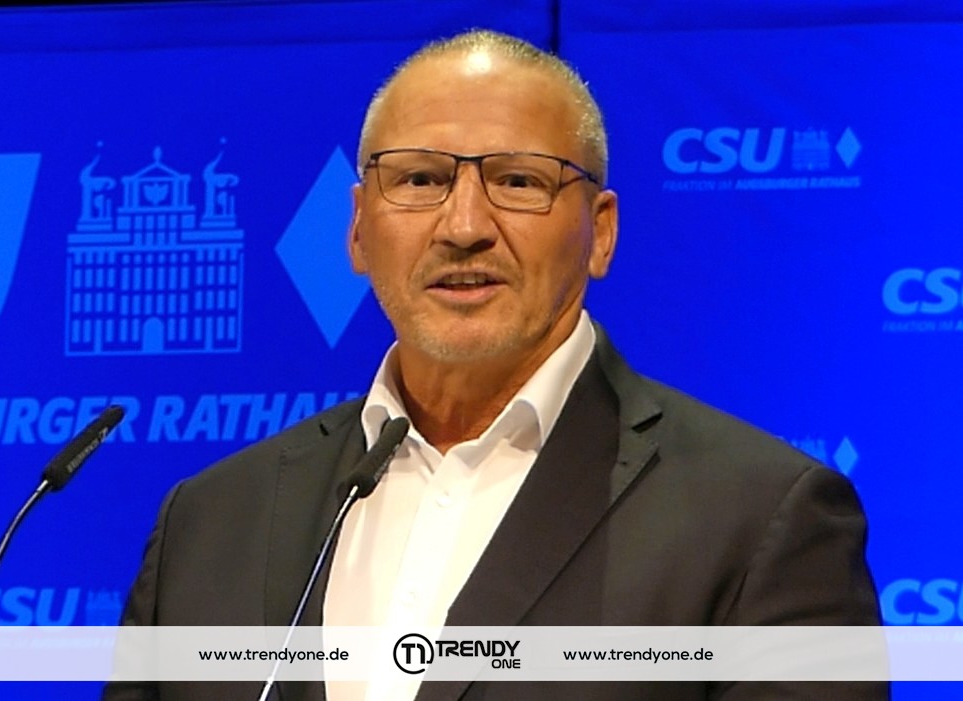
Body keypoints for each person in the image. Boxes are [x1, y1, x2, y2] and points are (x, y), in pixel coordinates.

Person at [104, 29, 886, 701]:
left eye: (517, 181)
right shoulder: (210, 521)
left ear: (600, 232)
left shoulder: (759, 519)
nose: (464, 225)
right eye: (420, 179)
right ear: (358, 229)